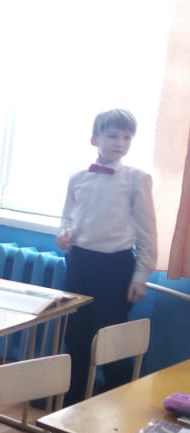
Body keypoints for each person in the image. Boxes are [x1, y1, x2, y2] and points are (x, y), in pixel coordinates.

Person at [57, 109, 157, 405]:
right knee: (75, 335)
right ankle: (71, 402)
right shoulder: (78, 177)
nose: (120, 143)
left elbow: (147, 232)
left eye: (127, 137)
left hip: (115, 267)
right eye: (112, 136)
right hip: (80, 263)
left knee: (111, 338)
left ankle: (119, 404)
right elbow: (68, 216)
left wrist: (141, 275)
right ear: (94, 139)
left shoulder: (138, 179)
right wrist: (63, 232)